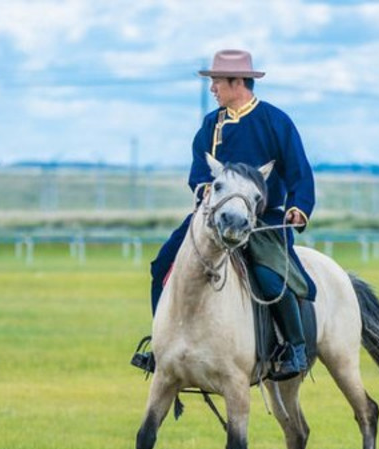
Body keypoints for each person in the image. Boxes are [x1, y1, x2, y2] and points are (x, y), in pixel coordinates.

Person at [131, 49, 316, 381]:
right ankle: (162, 347)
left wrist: (298, 208)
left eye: (216, 82)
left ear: (237, 82)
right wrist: (203, 189)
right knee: (162, 265)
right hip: (212, 217)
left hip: (262, 219)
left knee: (273, 277)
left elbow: (299, 170)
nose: (212, 89)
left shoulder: (276, 121)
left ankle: (295, 347)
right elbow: (199, 171)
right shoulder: (210, 124)